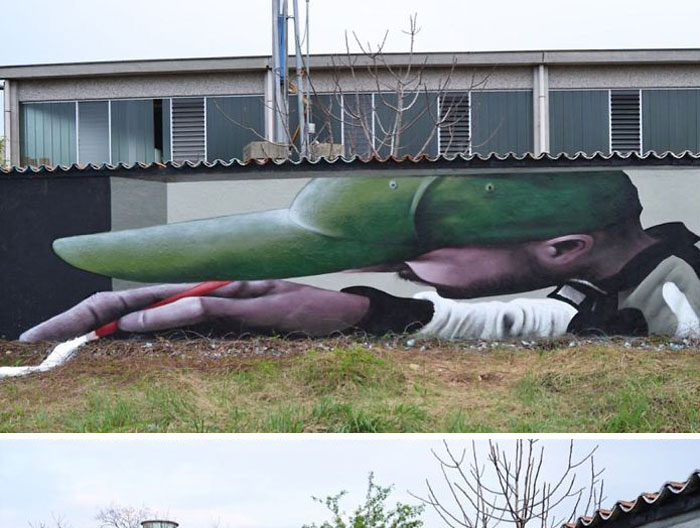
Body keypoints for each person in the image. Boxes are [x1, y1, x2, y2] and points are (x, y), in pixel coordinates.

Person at [20, 171, 700, 342]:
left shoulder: (680, 303)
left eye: (411, 256)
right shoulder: (600, 282)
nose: (392, 268)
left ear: (564, 248)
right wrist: (356, 311)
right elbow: (536, 324)